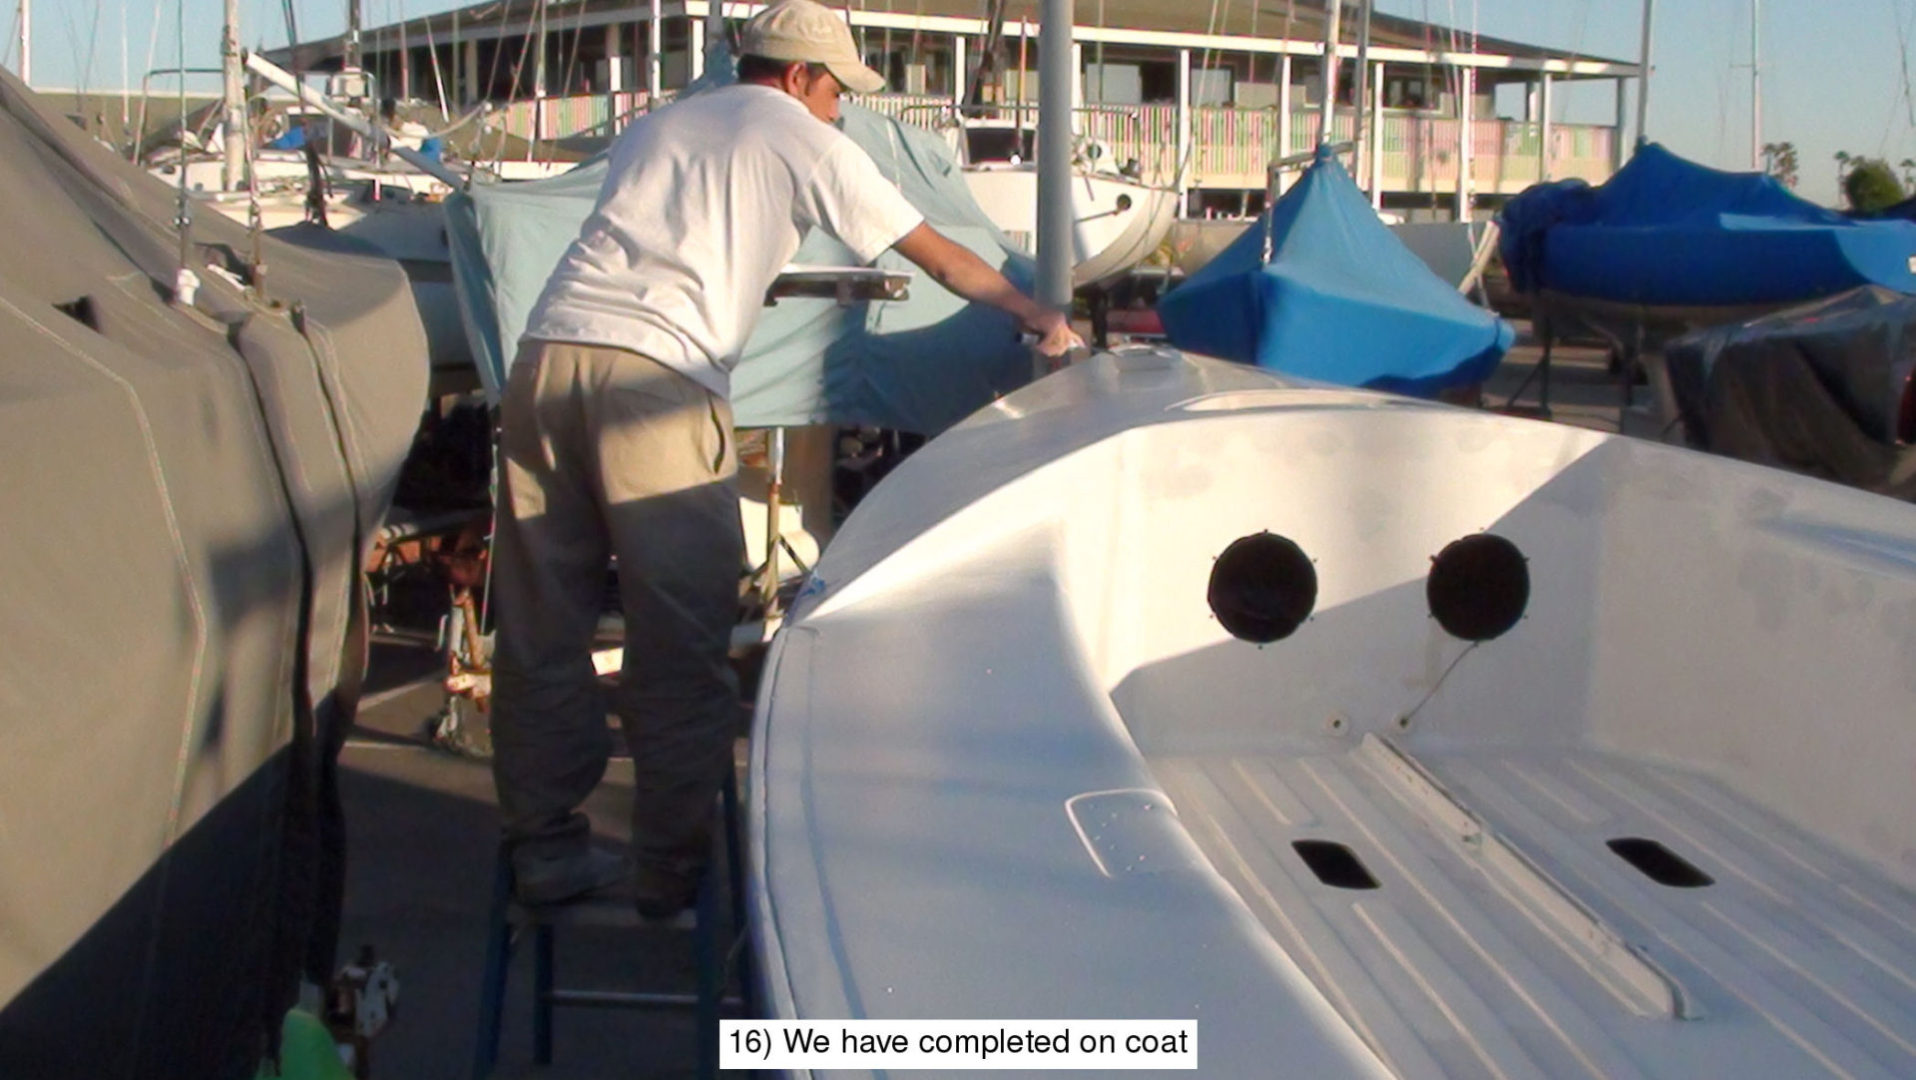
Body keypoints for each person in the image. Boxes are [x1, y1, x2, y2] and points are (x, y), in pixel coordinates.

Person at [490, 0, 1083, 917]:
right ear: (801, 76)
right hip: (658, 381)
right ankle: (667, 877)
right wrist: (1033, 312)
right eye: (838, 90)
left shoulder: (660, 126)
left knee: (540, 630)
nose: (842, 110)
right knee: (678, 637)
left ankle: (545, 851)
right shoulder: (805, 139)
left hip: (547, 360)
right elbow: (937, 255)